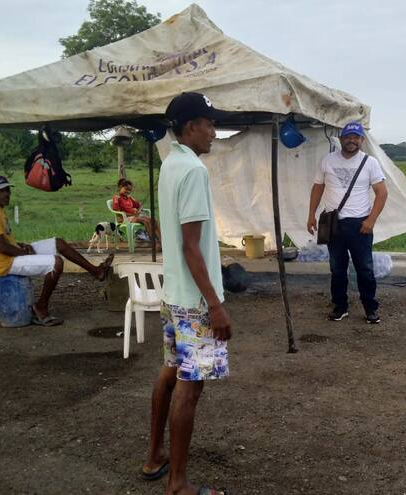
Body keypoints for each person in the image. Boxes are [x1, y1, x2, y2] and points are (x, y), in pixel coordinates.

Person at [140, 92, 232, 495]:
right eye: (209, 124)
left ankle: (155, 456)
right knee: (189, 386)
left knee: (170, 372)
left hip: (173, 294)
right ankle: (178, 484)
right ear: (190, 126)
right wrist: (215, 305)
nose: (213, 131)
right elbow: (192, 245)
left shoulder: (171, 164)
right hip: (195, 302)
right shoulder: (193, 170)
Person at [0, 176, 114, 326]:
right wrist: (25, 252)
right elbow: (1, 247)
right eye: (1, 191)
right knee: (56, 263)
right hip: (4, 263)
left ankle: (96, 271)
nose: (6, 194)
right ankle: (40, 307)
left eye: (8, 190)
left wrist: (21, 245)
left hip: (11, 255)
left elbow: (3, 240)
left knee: (59, 243)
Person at [307, 121, 388, 324]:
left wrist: (371, 220)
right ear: (341, 139)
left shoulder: (370, 163)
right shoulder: (327, 160)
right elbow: (318, 187)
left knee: (365, 269)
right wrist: (311, 214)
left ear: (361, 140)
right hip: (333, 223)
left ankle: (370, 308)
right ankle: (340, 306)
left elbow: (382, 193)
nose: (351, 140)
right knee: (337, 268)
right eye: (348, 137)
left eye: (356, 137)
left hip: (360, 224)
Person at [111, 178, 161, 244]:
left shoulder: (129, 198)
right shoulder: (116, 197)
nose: (128, 192)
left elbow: (139, 205)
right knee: (145, 221)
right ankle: (153, 241)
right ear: (120, 187)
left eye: (130, 190)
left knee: (153, 220)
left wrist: (137, 210)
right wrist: (131, 214)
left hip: (134, 217)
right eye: (126, 189)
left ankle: (161, 240)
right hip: (124, 218)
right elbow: (117, 212)